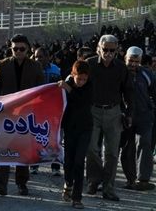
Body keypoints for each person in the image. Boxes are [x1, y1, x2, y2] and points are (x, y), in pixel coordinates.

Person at [0, 34, 44, 196]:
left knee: (23, 150)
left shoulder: (35, 67)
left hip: (27, 116)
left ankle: (22, 183)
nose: (18, 51)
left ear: (28, 49)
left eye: (22, 49)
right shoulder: (3, 65)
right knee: (4, 149)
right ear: (11, 49)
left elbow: (41, 91)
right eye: (15, 49)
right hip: (7, 114)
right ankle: (1, 183)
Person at [86, 34, 134, 201]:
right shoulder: (89, 64)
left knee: (112, 153)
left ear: (117, 50)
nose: (108, 53)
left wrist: (129, 113)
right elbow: (77, 80)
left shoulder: (121, 68)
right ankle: (94, 180)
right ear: (99, 48)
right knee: (91, 149)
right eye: (105, 49)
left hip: (114, 112)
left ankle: (108, 188)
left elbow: (128, 91)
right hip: (93, 110)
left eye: (112, 50)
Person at [120, 46, 156, 191]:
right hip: (124, 116)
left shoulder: (147, 74)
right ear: (125, 59)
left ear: (140, 61)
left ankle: (143, 180)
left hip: (144, 116)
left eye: (136, 61)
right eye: (130, 61)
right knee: (127, 148)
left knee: (144, 144)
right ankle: (130, 179)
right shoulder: (119, 73)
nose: (133, 64)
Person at [59, 60, 92, 209]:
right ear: (73, 75)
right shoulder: (67, 83)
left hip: (85, 129)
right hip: (70, 128)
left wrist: (69, 89)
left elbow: (82, 101)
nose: (82, 82)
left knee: (79, 162)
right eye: (79, 79)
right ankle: (68, 183)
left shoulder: (90, 86)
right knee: (68, 161)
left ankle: (77, 197)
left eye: (85, 79)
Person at [33, 47, 62, 176]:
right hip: (37, 109)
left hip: (52, 109)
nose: (37, 59)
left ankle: (55, 165)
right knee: (35, 137)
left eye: (40, 56)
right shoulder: (31, 69)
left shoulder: (56, 70)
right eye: (35, 57)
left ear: (47, 57)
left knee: (54, 138)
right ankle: (34, 164)